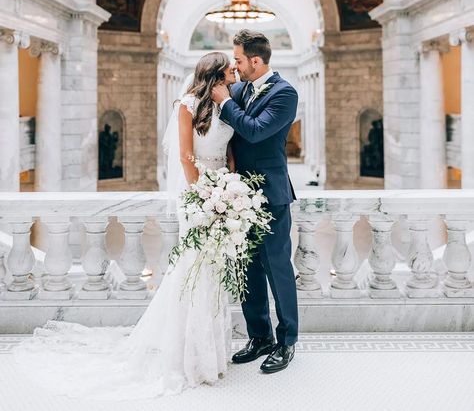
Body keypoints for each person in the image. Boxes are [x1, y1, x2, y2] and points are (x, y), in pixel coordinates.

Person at [14, 52, 236, 400]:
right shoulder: (188, 104)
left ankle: (210, 349)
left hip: (224, 193)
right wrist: (203, 196)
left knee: (213, 271)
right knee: (195, 267)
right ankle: (188, 353)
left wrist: (230, 187)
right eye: (230, 70)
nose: (235, 74)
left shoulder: (228, 104)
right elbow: (184, 156)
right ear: (215, 75)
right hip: (198, 197)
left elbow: (229, 151)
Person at [212, 29, 299, 374]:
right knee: (247, 269)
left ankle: (287, 341)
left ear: (256, 60)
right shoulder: (239, 88)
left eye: (238, 60)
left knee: (278, 269)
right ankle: (258, 336)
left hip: (272, 194)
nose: (235, 66)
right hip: (237, 196)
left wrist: (226, 103)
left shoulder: (284, 93)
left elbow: (255, 130)